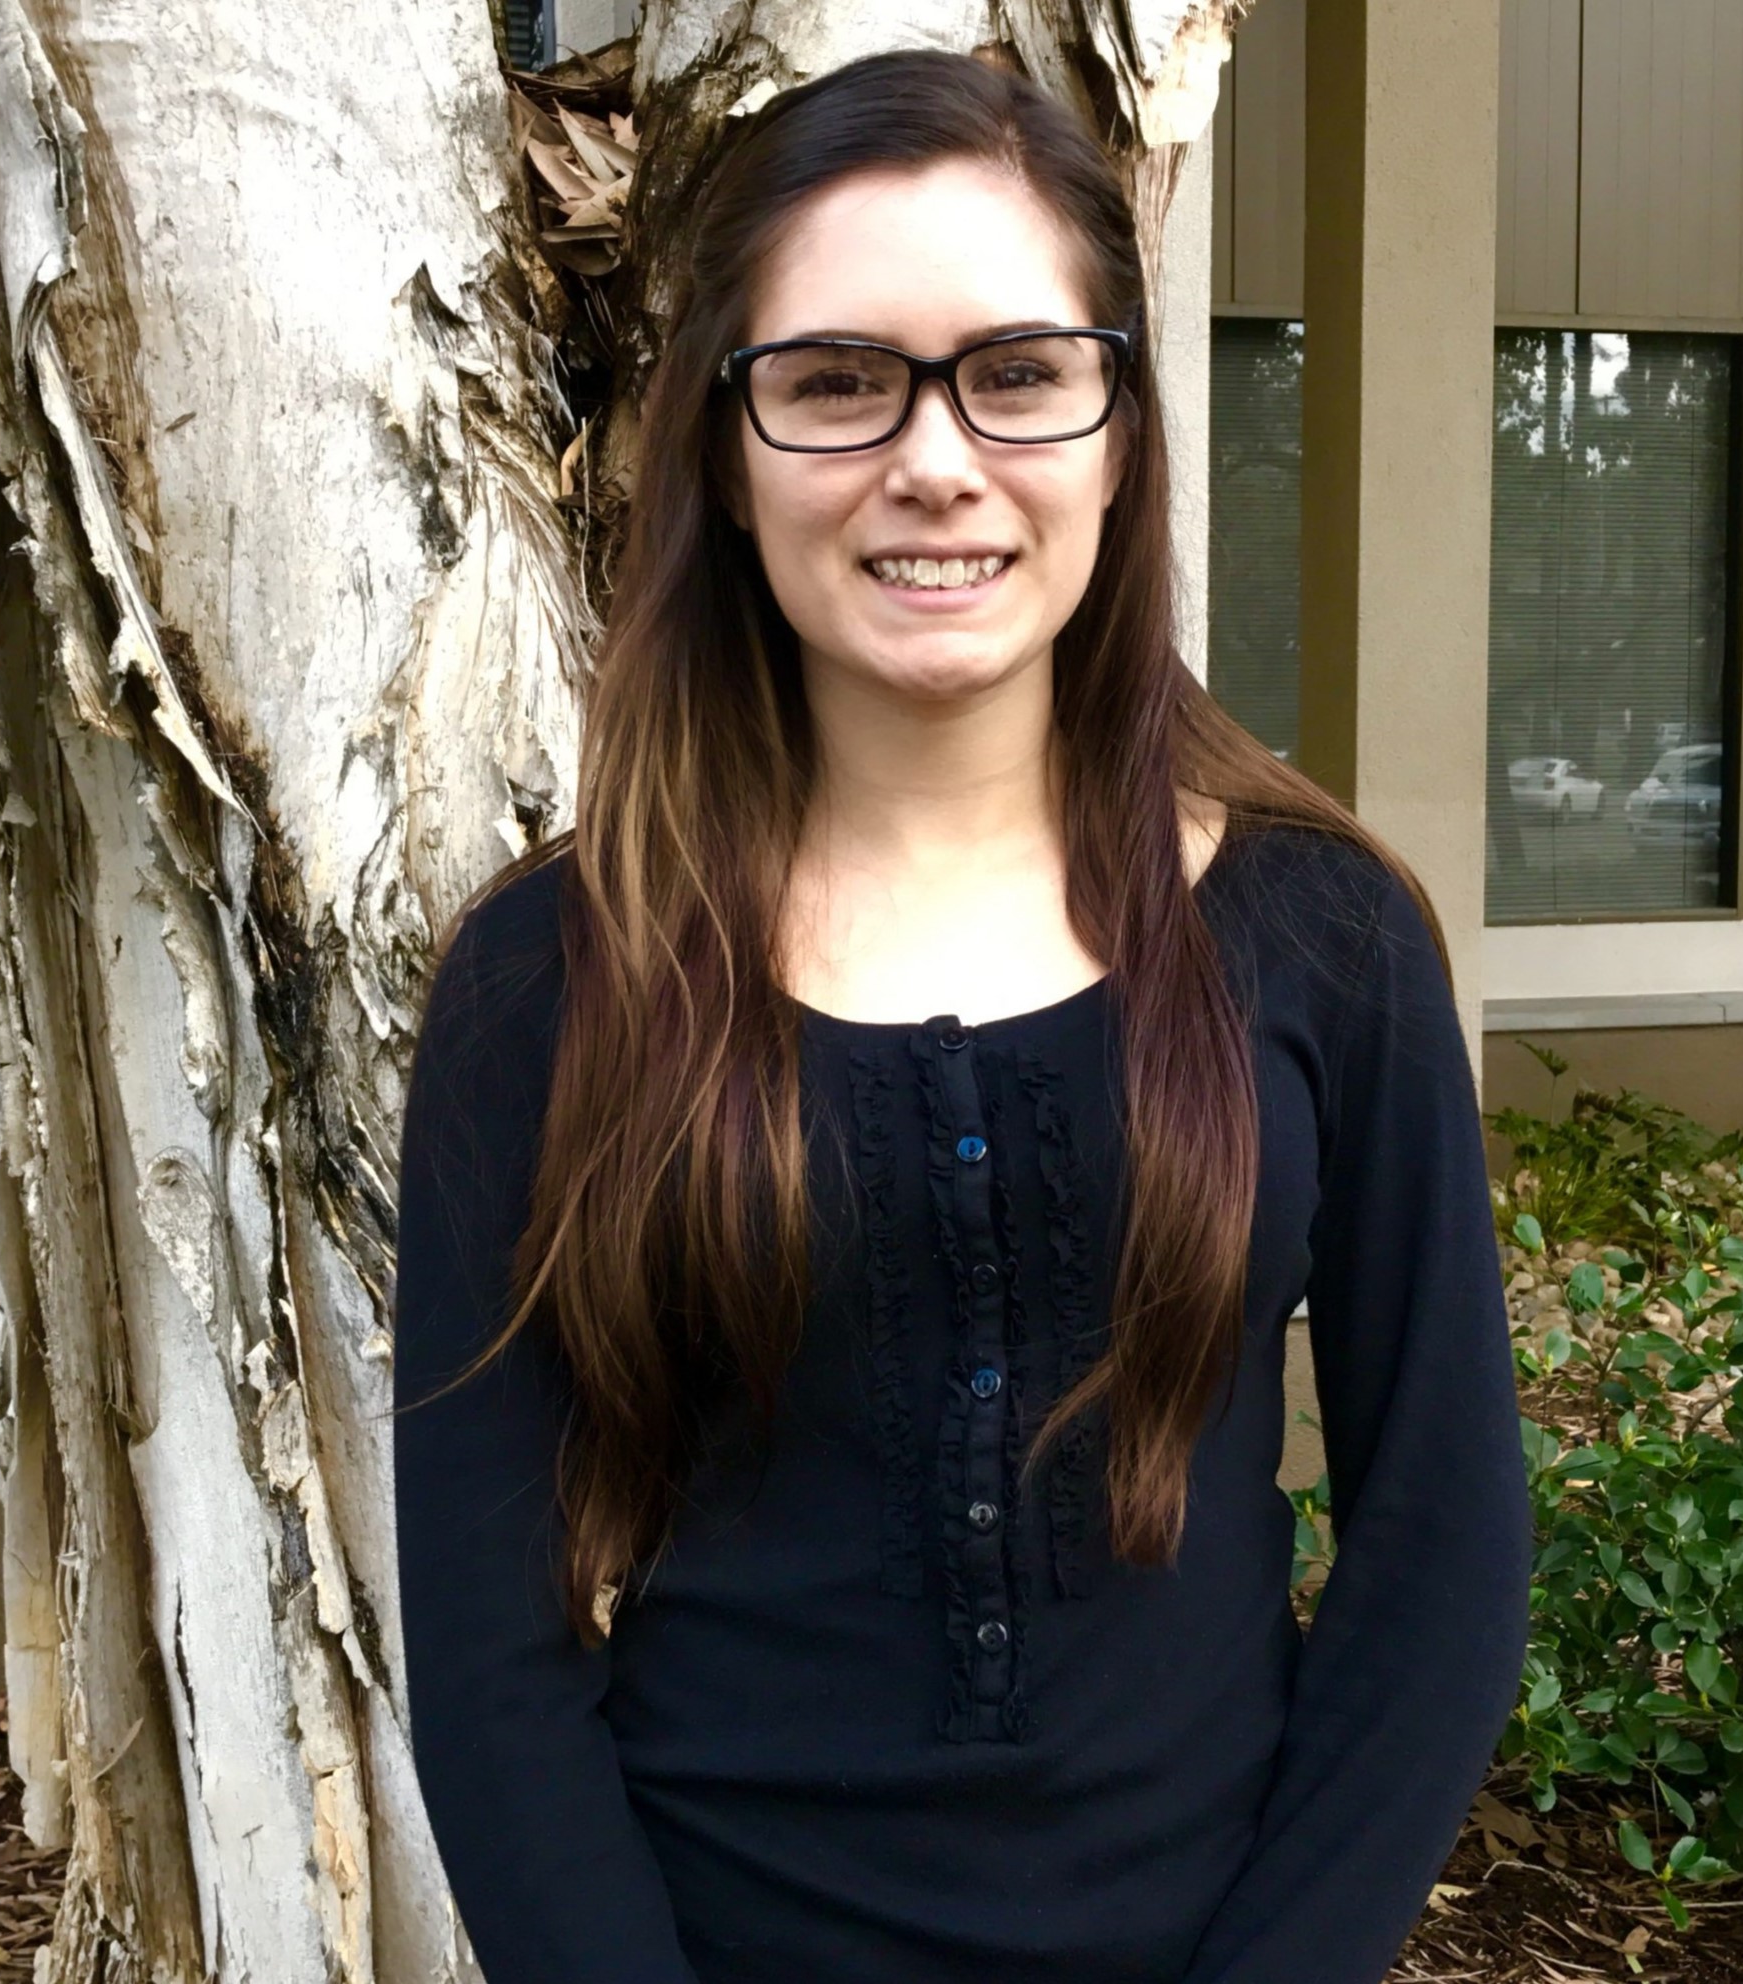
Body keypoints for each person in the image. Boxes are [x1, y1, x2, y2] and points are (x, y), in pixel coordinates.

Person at [392, 47, 1533, 1984]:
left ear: (1114, 429)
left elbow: (1440, 1549)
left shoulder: (1318, 935)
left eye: (1014, 372)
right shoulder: (544, 977)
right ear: (725, 458)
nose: (936, 458)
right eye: (838, 381)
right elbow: (490, 1652)